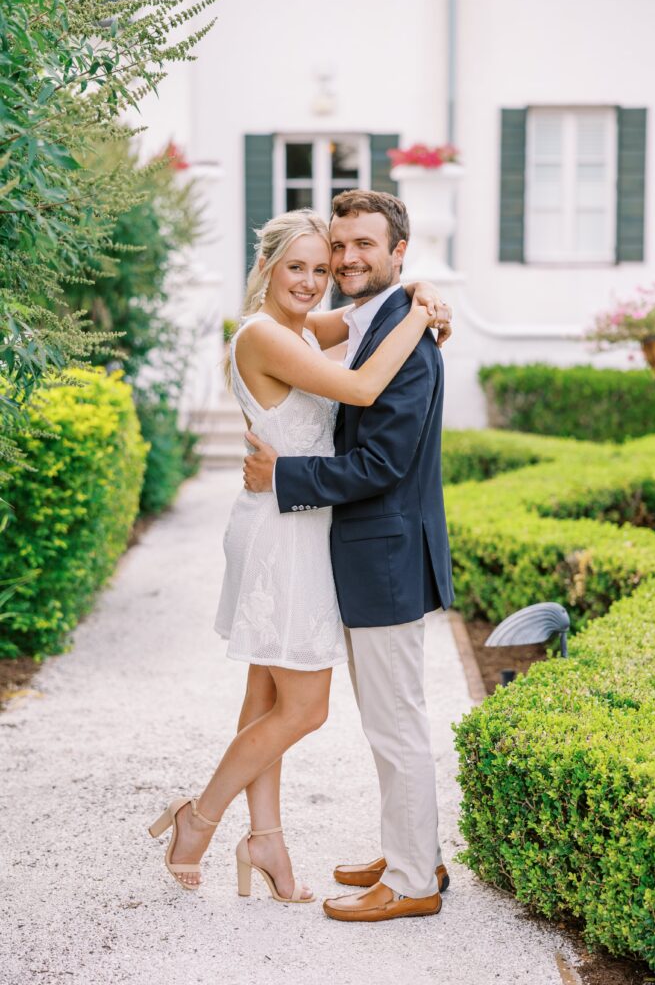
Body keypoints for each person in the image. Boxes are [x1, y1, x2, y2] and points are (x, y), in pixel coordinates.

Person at [148, 207, 451, 904]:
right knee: (303, 709)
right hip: (284, 532)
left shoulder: (299, 326)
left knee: (264, 700)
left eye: (327, 264)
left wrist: (420, 293)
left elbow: (362, 310)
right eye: (303, 265)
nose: (317, 278)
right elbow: (363, 387)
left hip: (295, 520)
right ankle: (197, 819)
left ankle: (267, 843)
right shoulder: (264, 332)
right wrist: (421, 313)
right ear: (266, 268)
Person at [244, 190, 455, 923]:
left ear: (398, 252)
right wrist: (424, 297)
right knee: (389, 718)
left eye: (364, 245)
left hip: (387, 556)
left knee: (394, 722)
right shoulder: (377, 320)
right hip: (374, 554)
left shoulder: (405, 337)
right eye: (340, 246)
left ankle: (410, 883)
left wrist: (285, 477)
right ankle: (412, 848)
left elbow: (383, 466)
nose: (345, 259)